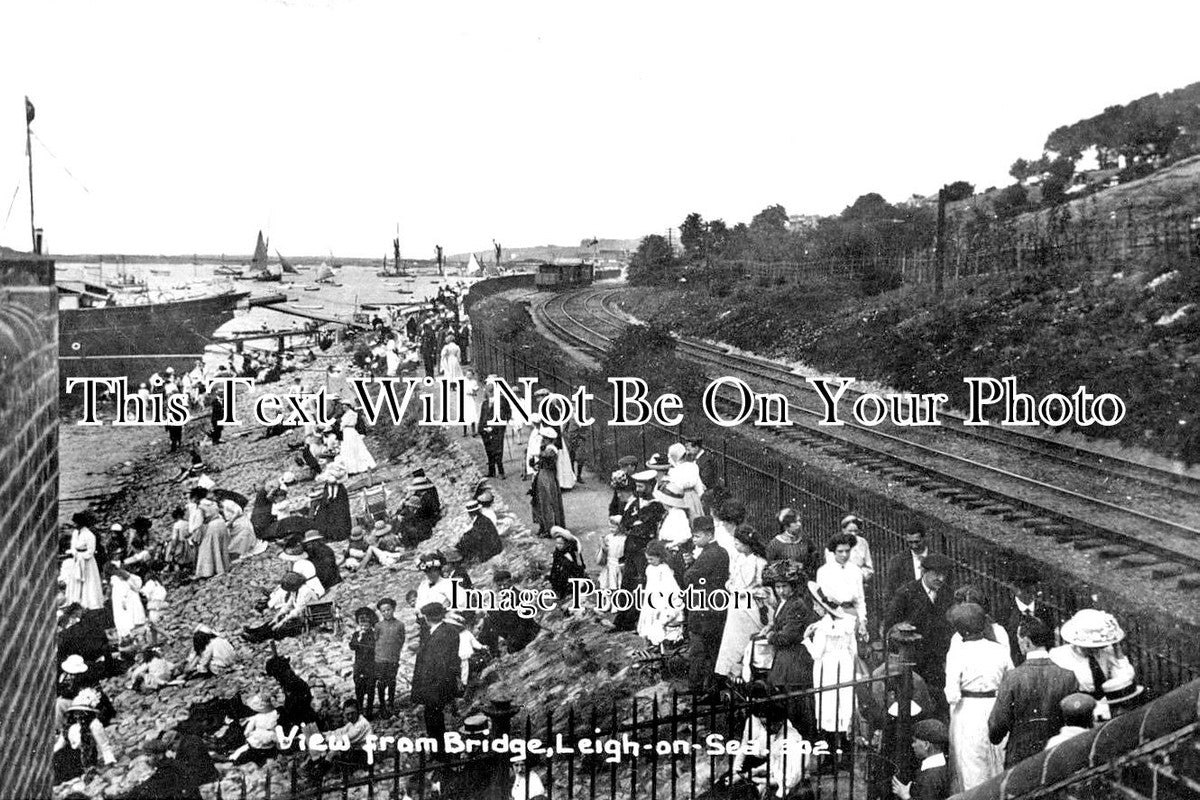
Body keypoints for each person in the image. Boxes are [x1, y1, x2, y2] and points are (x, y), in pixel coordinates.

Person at [988, 616, 1080, 766]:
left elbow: (996, 728)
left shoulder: (1012, 678)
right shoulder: (1068, 677)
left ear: (1026, 642)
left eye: (1019, 641)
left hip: (1020, 758)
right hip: (1058, 755)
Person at [944, 603, 1011, 792]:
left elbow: (952, 694)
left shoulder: (957, 653)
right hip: (996, 706)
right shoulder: (999, 650)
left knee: (972, 766)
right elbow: (1010, 678)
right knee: (998, 762)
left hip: (968, 711)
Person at [1049, 609, 1140, 722]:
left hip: (1109, 710)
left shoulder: (1106, 652)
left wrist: (1117, 649)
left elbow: (1125, 677)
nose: (1097, 649)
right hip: (1079, 714)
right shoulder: (1059, 657)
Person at [805, 581, 861, 760]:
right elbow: (854, 651)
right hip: (844, 667)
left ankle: (829, 757)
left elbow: (816, 653)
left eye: (817, 605)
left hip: (827, 669)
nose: (815, 608)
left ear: (824, 609)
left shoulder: (822, 628)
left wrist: (806, 639)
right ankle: (846, 755)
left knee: (828, 706)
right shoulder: (848, 623)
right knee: (844, 706)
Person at [884, 554, 955, 691]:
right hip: (913, 658)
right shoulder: (906, 593)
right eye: (936, 574)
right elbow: (890, 625)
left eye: (943, 575)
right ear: (923, 572)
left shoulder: (947, 593)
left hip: (938, 660)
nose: (940, 579)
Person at [612, 470, 667, 632]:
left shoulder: (656, 504)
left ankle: (635, 620)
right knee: (627, 582)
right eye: (637, 485)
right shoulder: (634, 502)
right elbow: (626, 523)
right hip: (631, 549)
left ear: (650, 486)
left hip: (643, 551)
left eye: (642, 486)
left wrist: (635, 524)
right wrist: (635, 523)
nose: (639, 489)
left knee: (641, 584)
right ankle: (621, 620)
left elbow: (644, 526)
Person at [681, 516, 729, 697]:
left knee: (700, 650)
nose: (694, 540)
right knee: (710, 649)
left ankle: (699, 688)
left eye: (697, 536)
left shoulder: (710, 554)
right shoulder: (718, 552)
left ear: (709, 535)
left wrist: (689, 568)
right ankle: (706, 687)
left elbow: (690, 578)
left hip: (704, 608)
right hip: (714, 605)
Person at [715, 525, 770, 680]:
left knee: (747, 640)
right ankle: (731, 673)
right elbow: (732, 579)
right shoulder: (738, 558)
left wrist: (749, 592)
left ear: (748, 544)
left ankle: (748, 675)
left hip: (750, 606)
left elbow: (761, 585)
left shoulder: (760, 562)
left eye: (739, 542)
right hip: (736, 605)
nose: (735, 545)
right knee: (732, 640)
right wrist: (730, 586)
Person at [411, 603, 460, 744]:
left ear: (428, 617)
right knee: (436, 717)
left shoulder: (439, 635)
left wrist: (428, 686)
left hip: (435, 684)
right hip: (442, 682)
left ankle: (439, 751)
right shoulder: (448, 630)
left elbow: (438, 663)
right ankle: (440, 748)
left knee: (433, 718)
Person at [53, 690, 116, 783]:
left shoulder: (94, 725)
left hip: (86, 756)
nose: (78, 715)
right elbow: (59, 744)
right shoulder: (69, 727)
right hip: (70, 752)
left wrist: (109, 760)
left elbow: (104, 745)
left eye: (81, 712)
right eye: (76, 712)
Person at [816, 532, 869, 640]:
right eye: (840, 551)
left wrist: (862, 621)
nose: (844, 555)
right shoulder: (823, 571)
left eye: (847, 551)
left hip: (852, 614)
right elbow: (820, 600)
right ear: (833, 552)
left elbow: (860, 600)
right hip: (831, 616)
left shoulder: (856, 571)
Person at [1001, 570, 1058, 667]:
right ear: (1013, 588)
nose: (1024, 592)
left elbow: (1050, 641)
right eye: (1020, 587)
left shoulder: (1045, 611)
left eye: (1028, 587)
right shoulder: (1005, 612)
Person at [244, 572, 320, 642]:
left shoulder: (306, 591)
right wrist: (277, 616)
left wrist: (282, 621)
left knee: (278, 629)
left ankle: (257, 638)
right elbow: (288, 605)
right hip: (299, 616)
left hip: (308, 619)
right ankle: (255, 631)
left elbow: (298, 610)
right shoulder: (295, 590)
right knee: (272, 623)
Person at [478, 570, 541, 655]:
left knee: (490, 619)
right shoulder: (508, 595)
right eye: (499, 586)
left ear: (510, 582)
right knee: (489, 618)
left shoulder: (517, 596)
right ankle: (486, 649)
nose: (502, 588)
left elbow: (518, 621)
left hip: (526, 635)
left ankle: (488, 651)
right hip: (519, 632)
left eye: (504, 584)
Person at [637, 540, 684, 648]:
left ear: (659, 557)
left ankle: (659, 647)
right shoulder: (649, 569)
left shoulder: (665, 569)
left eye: (651, 559)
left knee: (659, 624)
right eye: (647, 559)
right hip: (651, 597)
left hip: (661, 598)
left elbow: (669, 587)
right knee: (647, 623)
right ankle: (648, 646)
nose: (649, 561)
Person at [891, 719, 951, 800]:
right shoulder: (943, 768)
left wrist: (905, 796)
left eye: (915, 741)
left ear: (926, 745)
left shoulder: (930, 776)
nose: (913, 745)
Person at [64, 511, 104, 610]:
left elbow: (91, 551)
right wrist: (75, 553)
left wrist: (82, 556)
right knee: (75, 580)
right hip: (77, 559)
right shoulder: (75, 533)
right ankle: (75, 600)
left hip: (87, 562)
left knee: (88, 580)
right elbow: (73, 546)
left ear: (81, 524)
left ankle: (89, 603)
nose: (74, 525)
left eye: (75, 523)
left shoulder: (89, 535)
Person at [883, 521, 931, 601]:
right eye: (910, 542)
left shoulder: (937, 558)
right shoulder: (898, 561)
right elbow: (890, 592)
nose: (914, 546)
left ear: (925, 538)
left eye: (917, 541)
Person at [228, 694, 279, 765]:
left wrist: (249, 735)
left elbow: (247, 732)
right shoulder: (276, 714)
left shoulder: (256, 717)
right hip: (271, 742)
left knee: (245, 750)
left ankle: (233, 759)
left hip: (257, 743)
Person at [530, 444, 566, 537]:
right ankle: (543, 526)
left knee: (547, 503)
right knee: (539, 502)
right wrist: (535, 464)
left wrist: (537, 455)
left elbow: (547, 458)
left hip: (547, 477)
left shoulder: (551, 450)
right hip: (541, 477)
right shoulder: (545, 449)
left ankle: (550, 528)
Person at [477, 374, 509, 478]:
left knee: (498, 449)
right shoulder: (485, 403)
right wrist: (481, 428)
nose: (489, 391)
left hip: (497, 429)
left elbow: (506, 415)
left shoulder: (502, 401)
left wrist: (495, 427)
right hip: (485, 430)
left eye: (492, 388)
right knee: (489, 449)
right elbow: (482, 417)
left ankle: (501, 471)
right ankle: (491, 471)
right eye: (488, 388)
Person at [548, 527, 588, 610]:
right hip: (560, 574)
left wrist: (570, 561)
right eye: (557, 543)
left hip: (572, 576)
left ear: (566, 544)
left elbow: (579, 566)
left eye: (561, 544)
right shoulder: (558, 552)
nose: (558, 546)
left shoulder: (573, 552)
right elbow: (555, 565)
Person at [766, 508, 817, 573]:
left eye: (799, 521)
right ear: (786, 525)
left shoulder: (805, 540)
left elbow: (814, 559)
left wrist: (804, 566)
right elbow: (769, 565)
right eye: (795, 522)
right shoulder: (775, 544)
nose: (799, 524)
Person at [349, 607, 378, 718]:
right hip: (359, 666)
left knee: (370, 690)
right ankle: (360, 712)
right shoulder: (356, 634)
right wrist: (360, 637)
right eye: (362, 623)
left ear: (371, 623)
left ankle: (369, 712)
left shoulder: (374, 634)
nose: (364, 625)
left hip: (371, 667)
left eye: (366, 623)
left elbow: (373, 647)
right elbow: (352, 646)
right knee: (359, 691)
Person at [106, 562, 147, 640]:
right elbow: (137, 583)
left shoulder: (115, 578)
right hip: (132, 599)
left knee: (125, 621)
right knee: (136, 620)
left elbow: (122, 590)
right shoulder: (127, 575)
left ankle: (130, 638)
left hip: (123, 602)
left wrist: (123, 600)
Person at [312, 464, 353, 542]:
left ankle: (340, 534)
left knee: (340, 515)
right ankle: (330, 534)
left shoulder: (340, 489)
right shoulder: (328, 488)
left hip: (338, 501)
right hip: (330, 502)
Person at [665, 442, 706, 519]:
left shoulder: (673, 471)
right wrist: (699, 498)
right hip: (694, 498)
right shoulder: (693, 466)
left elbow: (675, 488)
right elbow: (699, 486)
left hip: (680, 498)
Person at [456, 499, 504, 563]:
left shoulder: (481, 522)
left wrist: (461, 544)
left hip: (492, 549)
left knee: (466, 553)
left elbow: (475, 537)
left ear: (471, 513)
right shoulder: (481, 519)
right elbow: (473, 532)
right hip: (492, 546)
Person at [829, 514, 874, 581]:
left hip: (860, 579)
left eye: (856, 531)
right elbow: (831, 565)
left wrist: (863, 575)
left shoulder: (863, 542)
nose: (853, 534)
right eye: (850, 531)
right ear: (843, 530)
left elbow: (868, 564)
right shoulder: (836, 542)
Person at [193, 498, 230, 579]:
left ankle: (208, 571)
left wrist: (195, 533)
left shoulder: (200, 508)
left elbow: (199, 523)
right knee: (221, 546)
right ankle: (224, 567)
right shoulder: (213, 503)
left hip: (212, 525)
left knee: (207, 548)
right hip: (221, 523)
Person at [337, 407, 376, 474]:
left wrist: (341, 425)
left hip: (350, 431)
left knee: (357, 448)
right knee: (349, 449)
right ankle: (353, 468)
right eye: (343, 406)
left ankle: (365, 466)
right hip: (346, 432)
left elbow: (345, 423)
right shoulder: (346, 414)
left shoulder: (352, 413)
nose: (343, 407)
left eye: (345, 406)